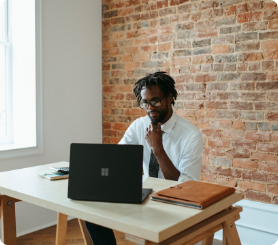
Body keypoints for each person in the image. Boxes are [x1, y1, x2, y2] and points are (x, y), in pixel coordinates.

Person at [85, 71, 203, 244]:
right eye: (145, 102)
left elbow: (186, 187)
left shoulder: (190, 135)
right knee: (92, 215)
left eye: (155, 101)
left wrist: (158, 149)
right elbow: (117, 159)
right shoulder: (138, 126)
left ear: (170, 97)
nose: (150, 108)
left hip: (174, 202)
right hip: (145, 194)